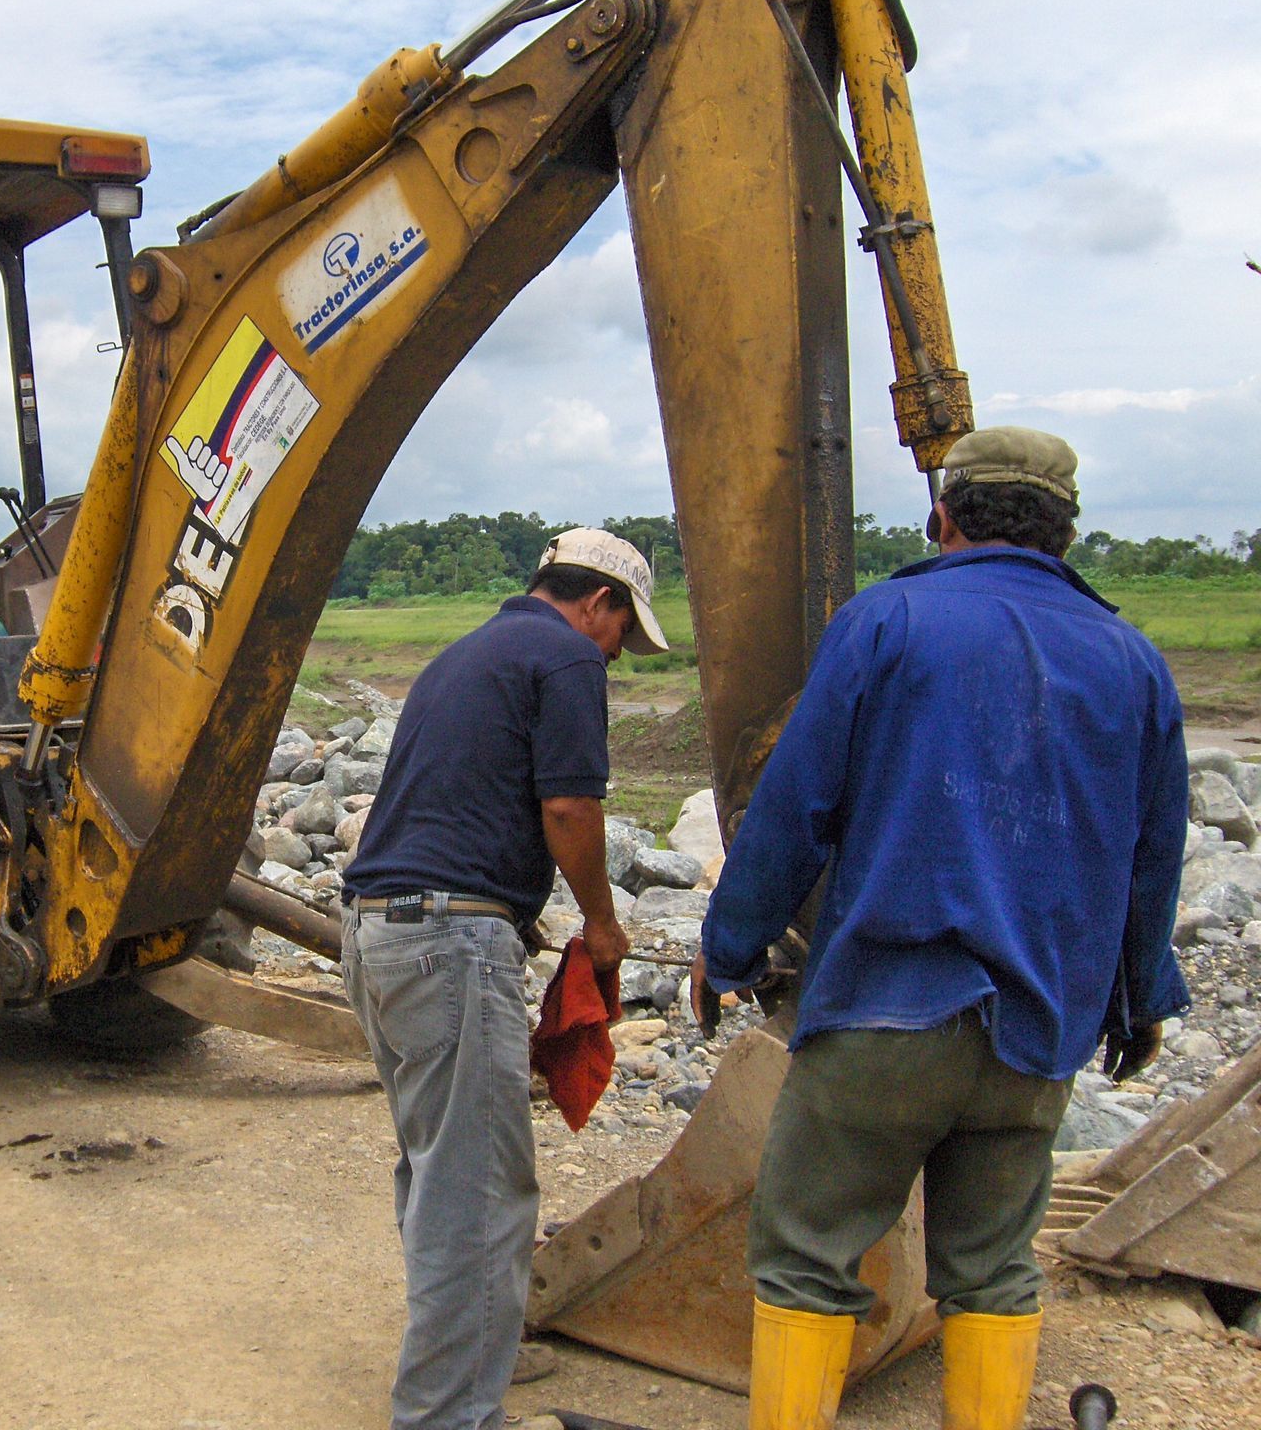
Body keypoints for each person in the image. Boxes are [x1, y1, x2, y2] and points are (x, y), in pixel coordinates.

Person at [692, 427, 1191, 1430]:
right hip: (1037, 1037)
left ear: (944, 515)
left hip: (885, 1013)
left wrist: (728, 947)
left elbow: (795, 809)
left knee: (805, 1259)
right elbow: (1152, 858)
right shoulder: (1134, 664)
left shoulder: (888, 621)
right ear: (1067, 533)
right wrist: (1142, 999)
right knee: (994, 1271)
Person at [340, 527, 670, 1430]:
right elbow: (567, 804)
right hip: (446, 942)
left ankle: (469, 1353)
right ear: (597, 601)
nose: (616, 653)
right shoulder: (565, 658)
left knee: (437, 1169)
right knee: (478, 1190)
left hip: (376, 933)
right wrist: (602, 925)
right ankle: (449, 1414)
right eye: (621, 633)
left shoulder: (467, 653)